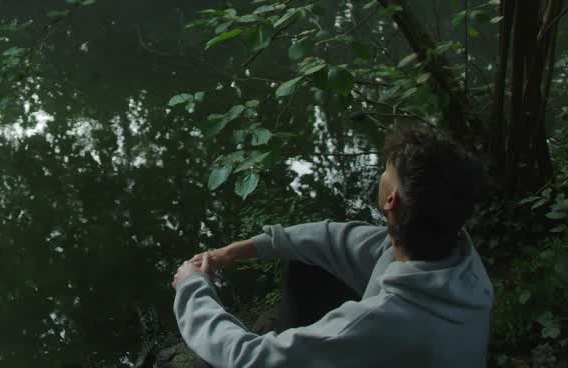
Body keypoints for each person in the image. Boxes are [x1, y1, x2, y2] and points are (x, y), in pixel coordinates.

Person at [171, 122, 494, 367]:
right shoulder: (454, 252)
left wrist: (193, 289)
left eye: (386, 171)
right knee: (307, 262)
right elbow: (335, 240)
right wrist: (245, 248)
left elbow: (249, 358)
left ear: (391, 200)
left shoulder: (380, 320)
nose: (382, 175)